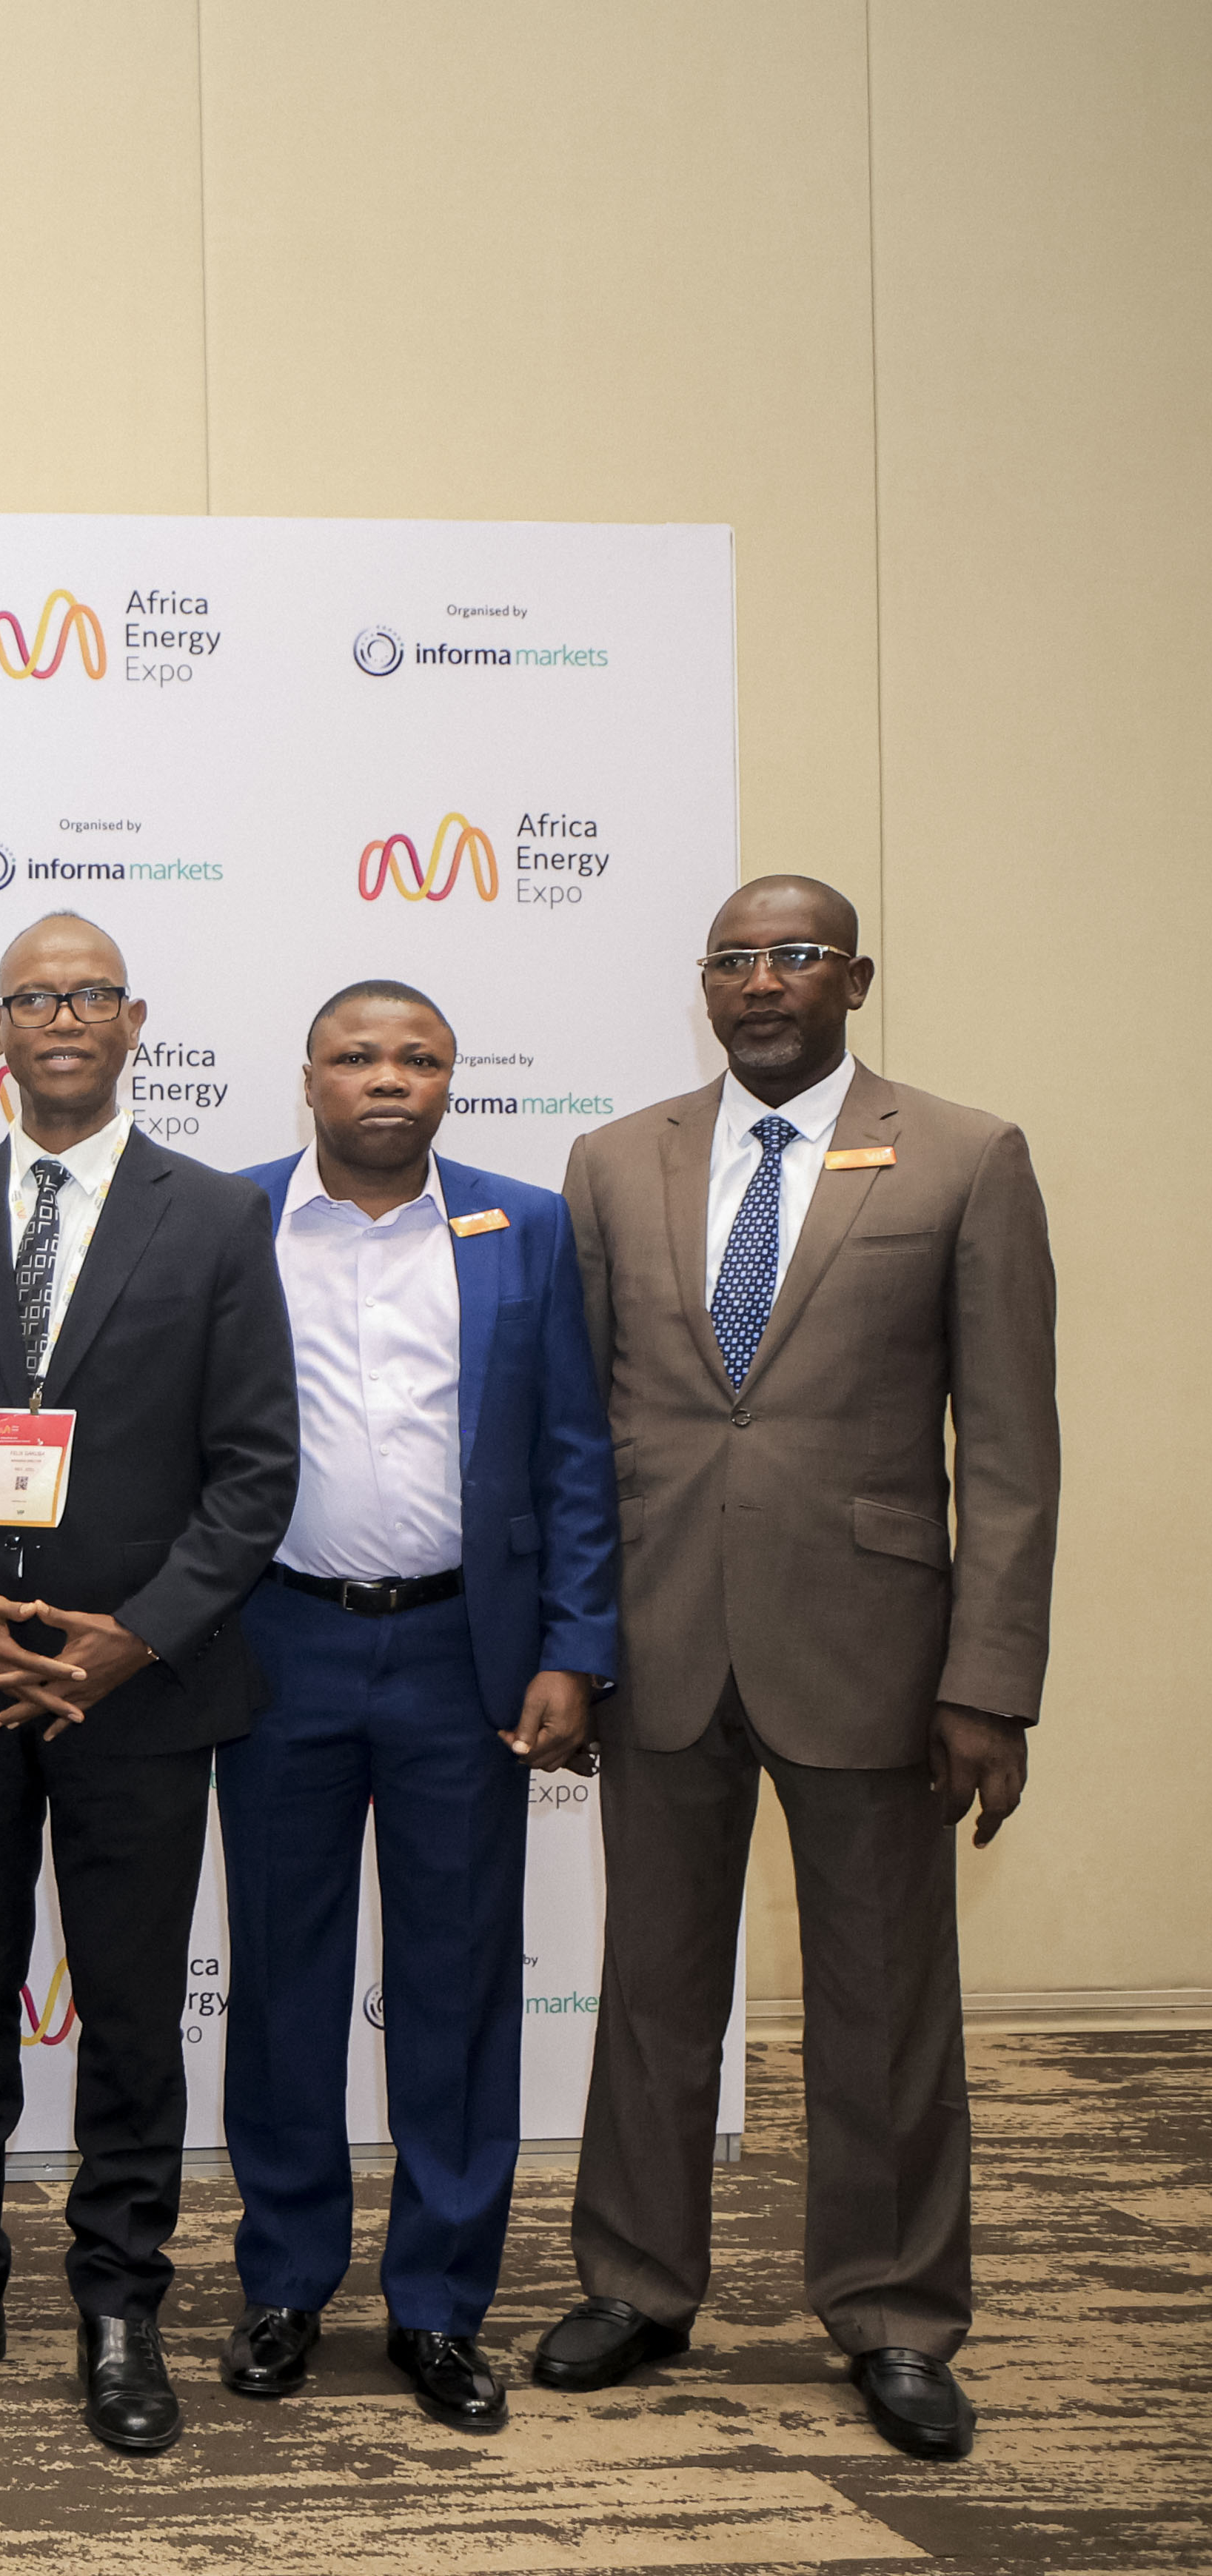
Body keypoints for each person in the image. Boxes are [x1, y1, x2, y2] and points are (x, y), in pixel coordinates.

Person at [534, 876, 1056, 2463]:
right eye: (735, 959)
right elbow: (578, 1432)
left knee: (885, 1997)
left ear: (856, 977)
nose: (763, 982)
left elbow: (1011, 1451)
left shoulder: (965, 1153)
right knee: (651, 1988)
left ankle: (894, 2311)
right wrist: (573, 1641)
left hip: (874, 1652)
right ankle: (636, 2281)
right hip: (661, 1643)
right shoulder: (614, 1161)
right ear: (705, 985)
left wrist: (990, 1679)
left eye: (797, 955)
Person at [0, 913, 295, 2455]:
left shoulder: (217, 1216)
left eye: (90, 993)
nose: (62, 1017)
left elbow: (256, 1471)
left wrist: (134, 1635)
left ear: (134, 1020)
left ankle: (119, 2297)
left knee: (129, 2007)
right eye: (34, 997)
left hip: (143, 1690)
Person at [215, 984, 617, 2433]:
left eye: (418, 1057)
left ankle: (440, 2302)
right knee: (283, 1979)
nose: (388, 1077)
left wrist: (574, 1645)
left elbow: (575, 1450)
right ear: (309, 1075)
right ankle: (285, 2281)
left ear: (450, 1079)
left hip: (467, 1655)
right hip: (280, 1644)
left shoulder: (526, 1225)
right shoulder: (234, 1219)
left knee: (457, 1986)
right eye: (357, 1056)